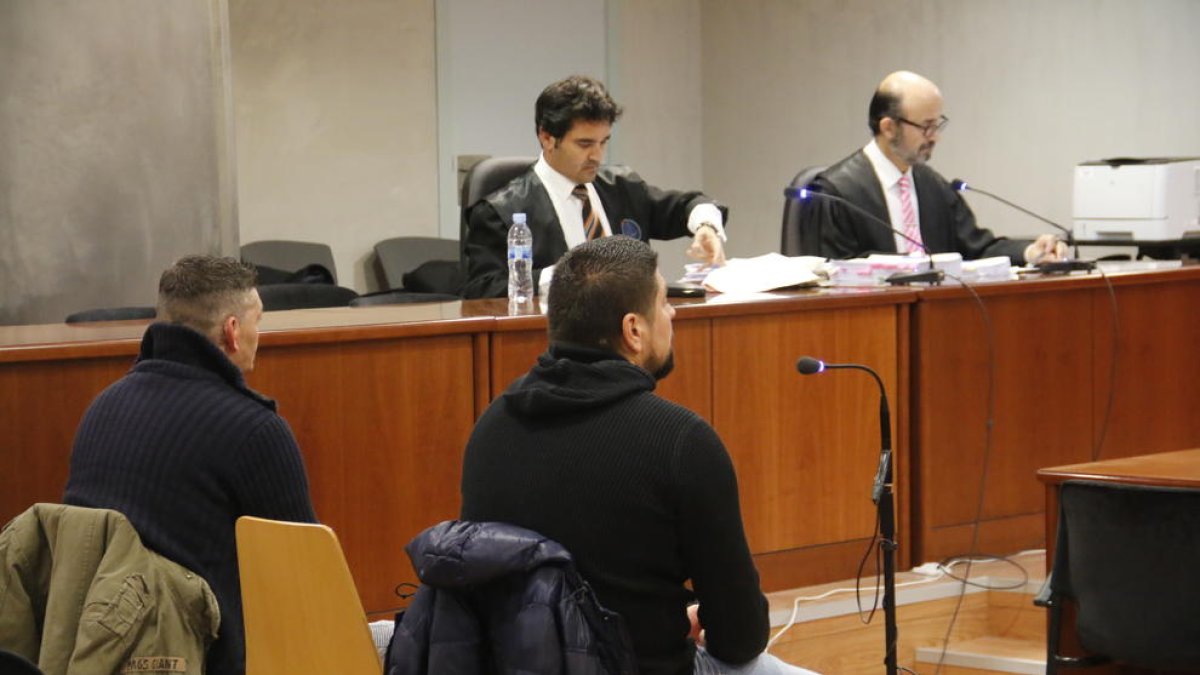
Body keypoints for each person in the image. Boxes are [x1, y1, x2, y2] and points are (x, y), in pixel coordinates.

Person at [460, 237, 817, 675]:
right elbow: (741, 638)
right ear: (633, 330)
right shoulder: (682, 441)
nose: (672, 314)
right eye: (664, 303)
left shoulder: (492, 424)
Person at [64, 255, 317, 675]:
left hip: (93, 649)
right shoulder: (254, 429)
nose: (260, 335)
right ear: (233, 332)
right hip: (208, 656)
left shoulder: (102, 407)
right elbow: (305, 581)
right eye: (258, 321)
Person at [462, 74, 729, 299]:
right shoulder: (501, 212)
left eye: (604, 142)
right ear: (547, 138)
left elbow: (689, 205)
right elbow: (483, 289)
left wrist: (706, 226)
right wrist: (567, 277)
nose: (597, 156)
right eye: (585, 144)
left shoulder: (622, 187)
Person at [809, 70, 1066, 265]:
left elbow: (978, 248)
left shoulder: (933, 186)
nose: (934, 137)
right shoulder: (836, 193)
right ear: (888, 127)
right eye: (926, 127)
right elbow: (835, 273)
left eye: (938, 125)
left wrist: (1031, 252)